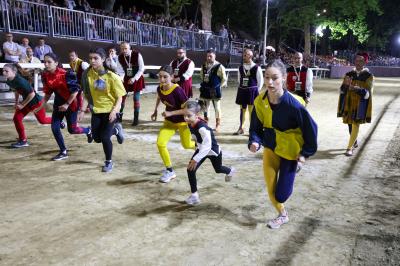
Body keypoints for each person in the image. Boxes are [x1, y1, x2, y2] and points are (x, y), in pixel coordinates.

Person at [249, 59, 318, 229]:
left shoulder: (294, 105)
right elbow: (255, 128)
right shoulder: (259, 101)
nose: (270, 82)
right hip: (271, 147)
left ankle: (295, 166)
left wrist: (304, 155)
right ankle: (283, 215)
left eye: (275, 78)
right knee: (271, 189)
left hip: (290, 151)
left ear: (284, 78)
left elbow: (311, 129)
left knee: (281, 195)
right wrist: (255, 141)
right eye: (267, 77)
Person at [163, 99, 236, 205]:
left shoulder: (202, 128)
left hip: (212, 151)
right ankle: (194, 196)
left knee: (218, 169)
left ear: (196, 115)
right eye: (185, 115)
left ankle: (230, 171)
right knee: (190, 170)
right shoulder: (190, 122)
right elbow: (199, 142)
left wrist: (195, 159)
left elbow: (207, 146)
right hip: (201, 150)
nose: (186, 118)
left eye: (188, 115)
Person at [35, 52, 91, 161]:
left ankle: (88, 131)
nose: (46, 64)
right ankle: (63, 151)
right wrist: (40, 106)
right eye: (44, 62)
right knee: (55, 127)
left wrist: (66, 104)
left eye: (49, 62)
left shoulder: (66, 74)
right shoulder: (45, 75)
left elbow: (75, 91)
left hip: (71, 103)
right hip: (58, 103)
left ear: (56, 63)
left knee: (72, 129)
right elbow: (47, 93)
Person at [79, 48, 126, 172]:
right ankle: (116, 130)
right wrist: (82, 110)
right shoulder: (87, 74)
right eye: (90, 58)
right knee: (97, 138)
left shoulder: (112, 76)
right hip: (96, 111)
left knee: (105, 138)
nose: (92, 61)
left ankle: (108, 162)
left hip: (110, 111)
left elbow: (120, 97)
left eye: (96, 58)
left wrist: (114, 111)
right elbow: (86, 95)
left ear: (103, 59)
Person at [151, 65, 195, 183]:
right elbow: (160, 97)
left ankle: (203, 147)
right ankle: (170, 171)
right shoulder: (159, 88)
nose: (162, 80)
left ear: (171, 77)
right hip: (169, 123)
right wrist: (155, 110)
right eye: (160, 77)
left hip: (182, 122)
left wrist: (171, 113)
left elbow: (188, 110)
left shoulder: (177, 90)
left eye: (165, 77)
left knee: (187, 145)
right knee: (160, 143)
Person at [3, 63, 52, 148]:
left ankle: (58, 120)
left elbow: (32, 94)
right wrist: (16, 102)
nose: (4, 72)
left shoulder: (20, 81)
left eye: (6, 71)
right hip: (27, 102)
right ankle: (23, 140)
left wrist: (22, 104)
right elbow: (17, 91)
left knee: (43, 121)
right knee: (17, 118)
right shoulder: (8, 80)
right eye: (3, 70)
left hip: (36, 102)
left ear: (14, 72)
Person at [337, 52, 373, 156]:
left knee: (355, 124)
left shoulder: (368, 76)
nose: (358, 62)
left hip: (360, 104)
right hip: (348, 103)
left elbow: (367, 94)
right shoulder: (349, 74)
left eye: (361, 60)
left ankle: (350, 147)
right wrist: (344, 86)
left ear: (365, 62)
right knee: (349, 124)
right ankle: (354, 141)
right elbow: (342, 91)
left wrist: (357, 89)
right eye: (357, 60)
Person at [234, 48, 264, 135]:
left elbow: (260, 81)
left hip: (252, 92)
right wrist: (244, 87)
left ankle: (252, 129)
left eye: (246, 54)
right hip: (242, 91)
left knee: (252, 111)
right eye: (244, 53)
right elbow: (239, 80)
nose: (243, 55)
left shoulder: (256, 67)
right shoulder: (240, 68)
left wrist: (255, 91)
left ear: (250, 56)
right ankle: (241, 128)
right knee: (242, 110)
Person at [117, 42, 145, 125]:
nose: (124, 50)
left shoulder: (137, 54)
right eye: (122, 48)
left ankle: (136, 119)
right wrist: (121, 78)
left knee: (136, 98)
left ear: (129, 48)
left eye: (125, 48)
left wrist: (134, 79)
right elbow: (120, 71)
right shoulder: (120, 57)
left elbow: (141, 68)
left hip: (137, 78)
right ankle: (119, 118)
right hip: (126, 78)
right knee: (122, 98)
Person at [199, 49, 227, 132]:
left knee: (217, 108)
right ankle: (206, 123)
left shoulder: (219, 66)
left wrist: (218, 87)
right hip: (205, 90)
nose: (209, 57)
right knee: (205, 108)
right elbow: (201, 76)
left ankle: (217, 125)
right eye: (207, 56)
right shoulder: (203, 65)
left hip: (215, 91)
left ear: (215, 56)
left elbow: (224, 79)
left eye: (210, 56)